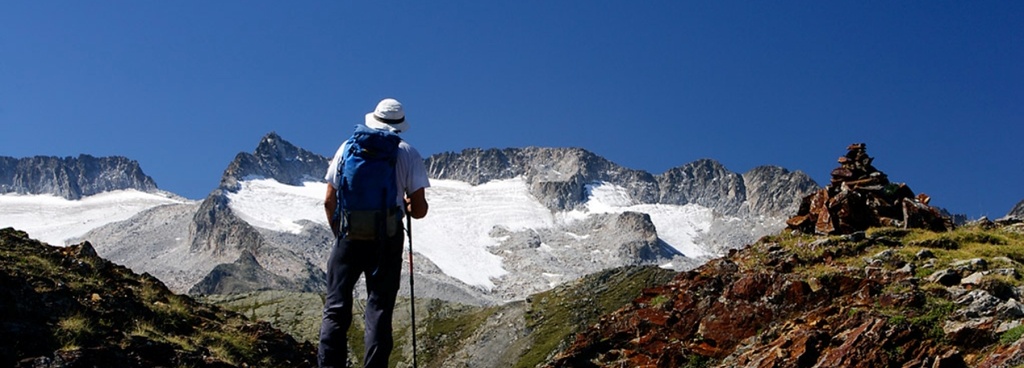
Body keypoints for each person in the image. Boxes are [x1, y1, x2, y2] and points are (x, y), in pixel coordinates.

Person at [319, 98, 430, 367]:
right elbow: (419, 210)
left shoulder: (347, 148)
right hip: (386, 241)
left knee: (335, 309)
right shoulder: (408, 153)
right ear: (400, 126)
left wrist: (341, 233)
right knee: (378, 310)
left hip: (349, 236)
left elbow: (328, 200)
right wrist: (405, 205)